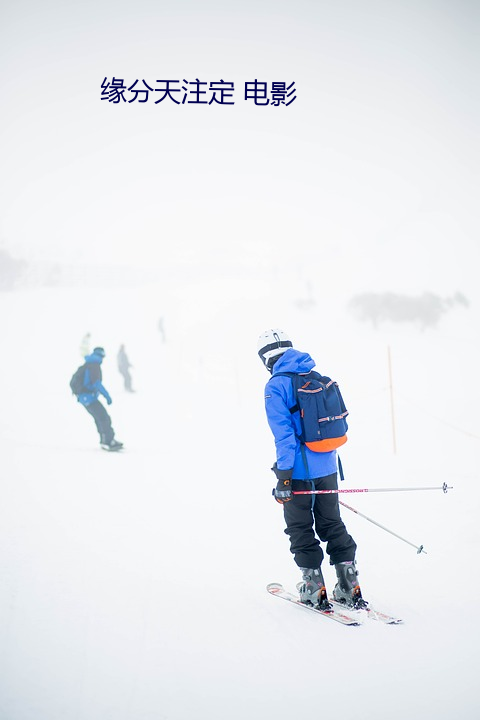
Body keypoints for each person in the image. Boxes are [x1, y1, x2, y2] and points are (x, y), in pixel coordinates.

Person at [257, 328, 366, 610]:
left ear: (266, 358)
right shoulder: (315, 377)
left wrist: (284, 477)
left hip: (298, 472)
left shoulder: (276, 386)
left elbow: (284, 436)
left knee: (300, 527)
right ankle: (348, 585)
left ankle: (313, 587)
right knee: (332, 523)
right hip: (328, 465)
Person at [76, 346, 123, 451]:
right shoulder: (94, 365)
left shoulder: (89, 363)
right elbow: (96, 383)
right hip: (89, 398)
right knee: (104, 418)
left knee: (100, 418)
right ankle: (108, 441)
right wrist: (107, 396)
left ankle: (104, 440)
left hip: (85, 398)